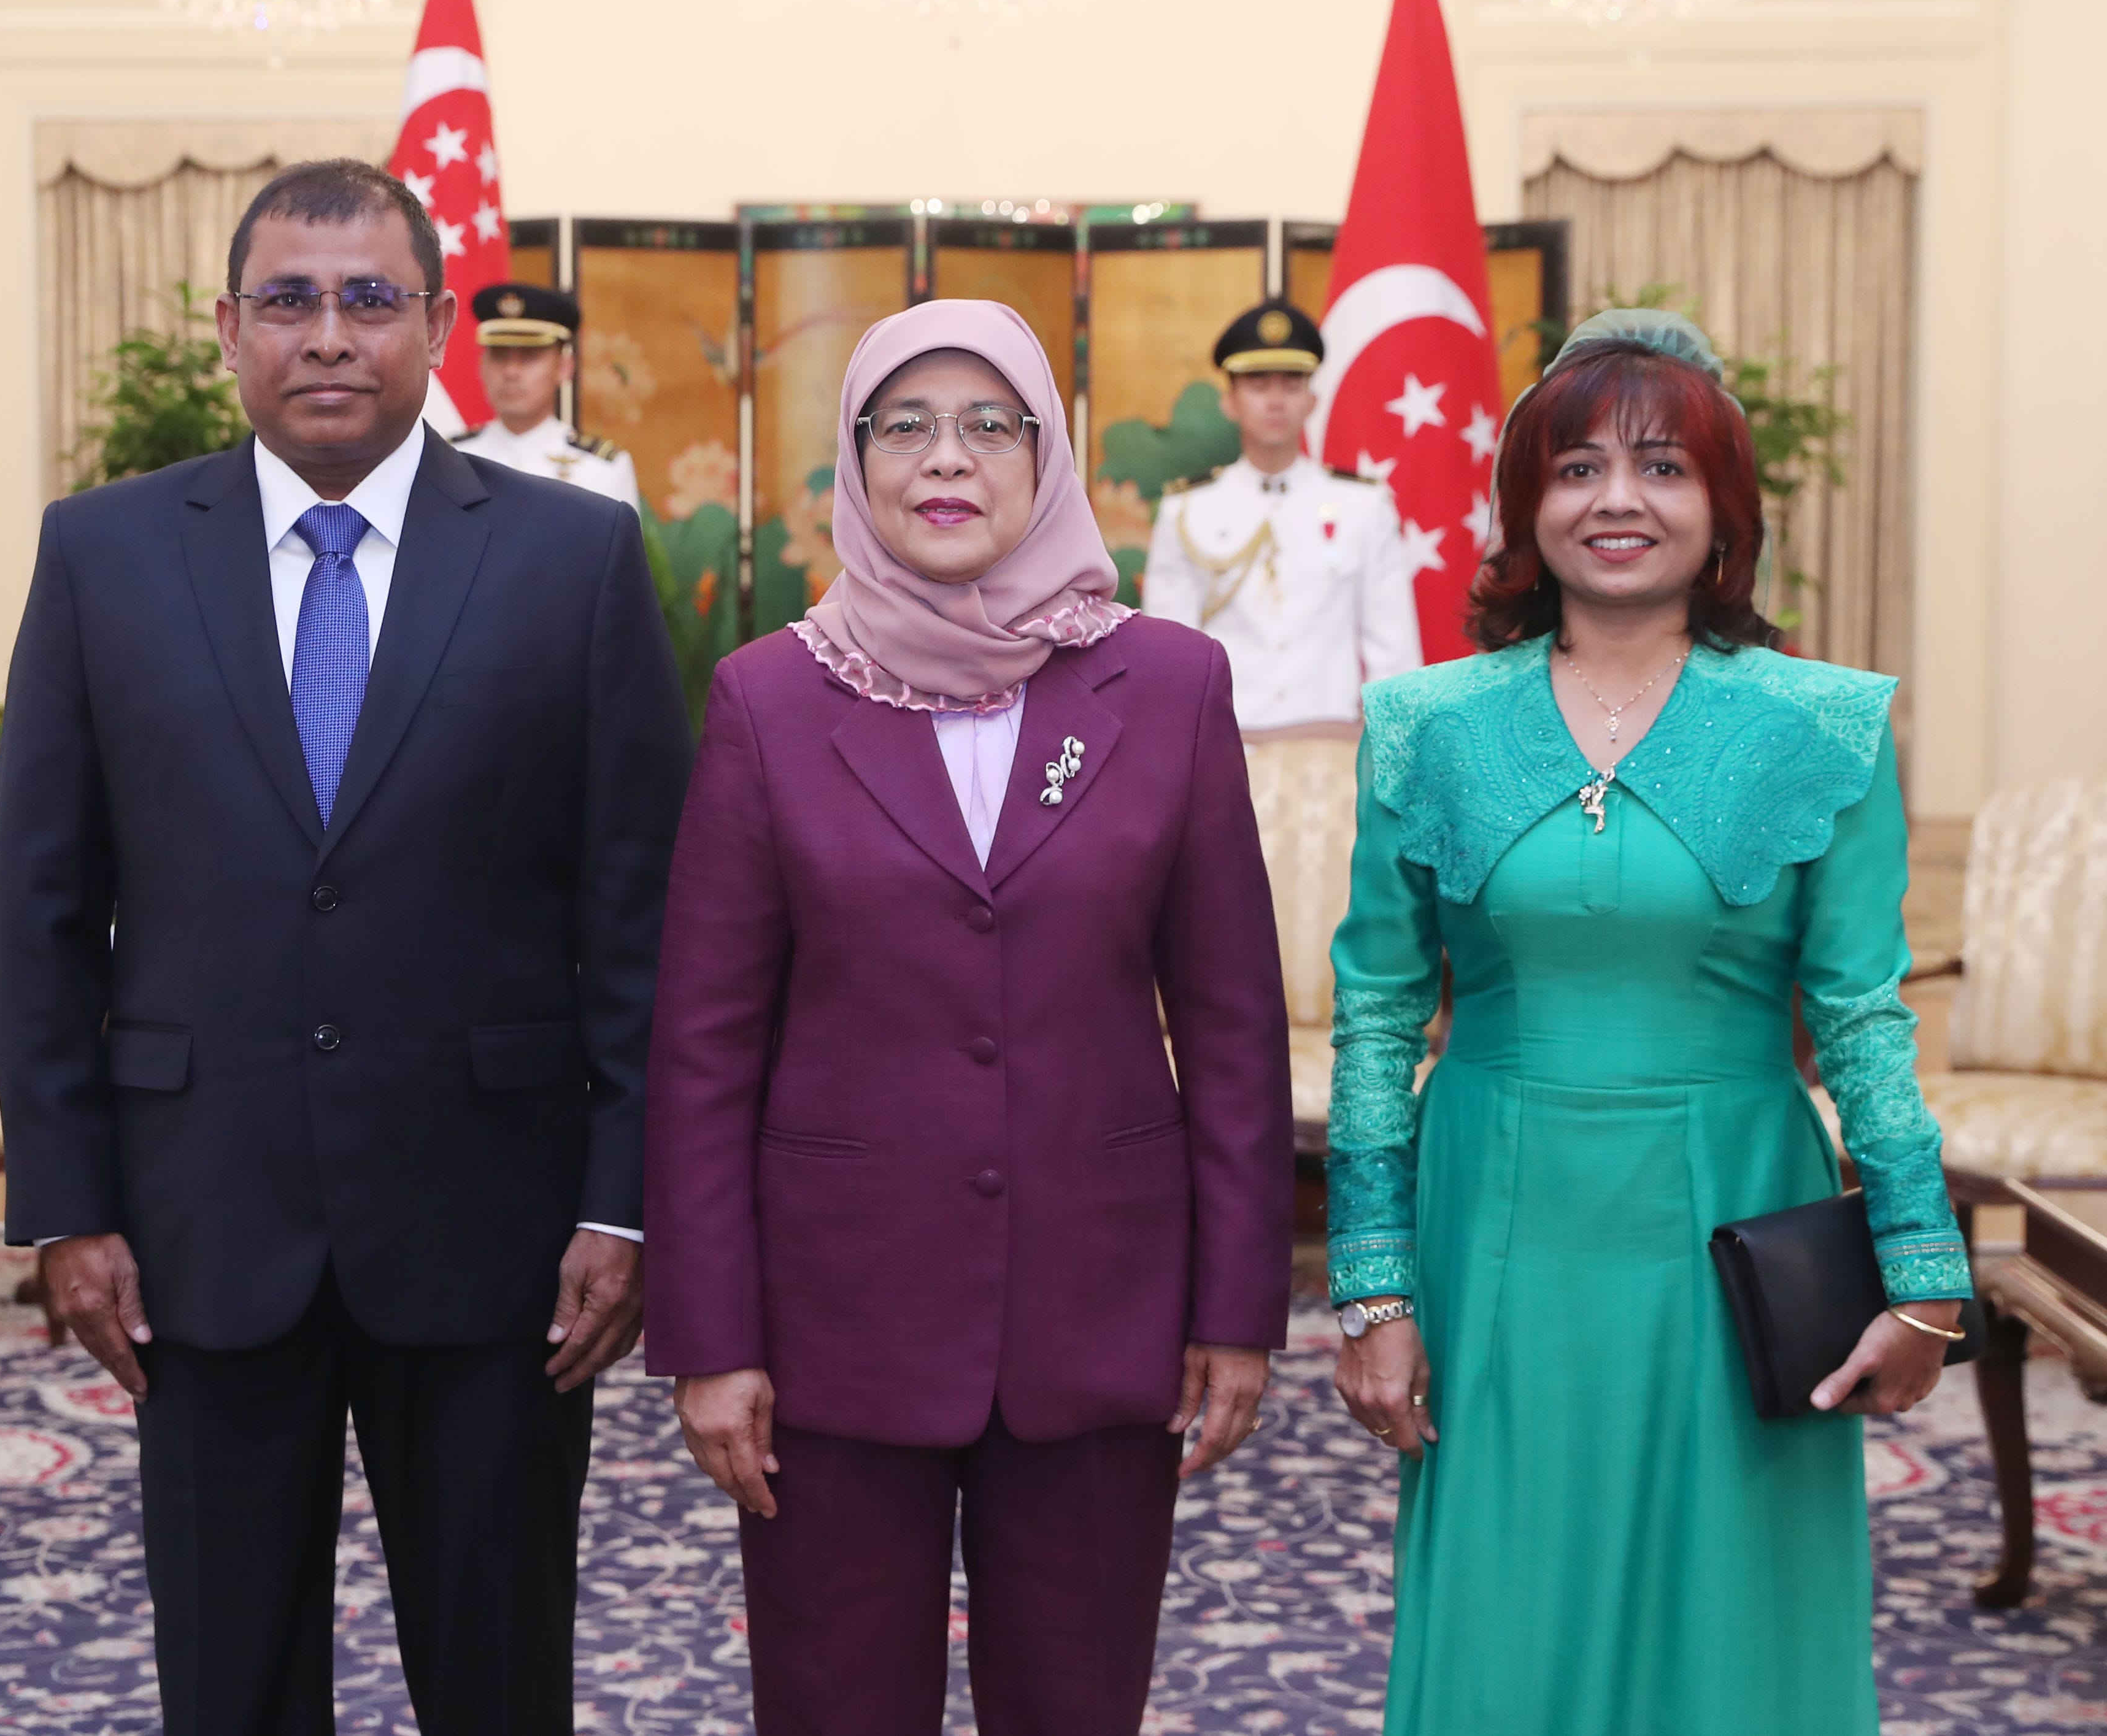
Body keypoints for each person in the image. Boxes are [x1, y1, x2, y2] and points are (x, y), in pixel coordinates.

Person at [0, 158, 690, 1735]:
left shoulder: (570, 560)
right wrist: (66, 1201)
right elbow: (41, 909)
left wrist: (623, 1199)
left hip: (497, 1227)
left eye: (370, 298)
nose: (328, 335)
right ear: (230, 327)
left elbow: (643, 915)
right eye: (290, 300)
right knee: (227, 1684)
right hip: (198, 1223)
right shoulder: (100, 556)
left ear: (436, 326)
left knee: (496, 1676)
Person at [644, 298, 1294, 1736]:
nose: (947, 458)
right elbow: (700, 1048)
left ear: (1044, 453)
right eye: (905, 425)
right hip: (831, 1326)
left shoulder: (1167, 685)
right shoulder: (769, 696)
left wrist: (1235, 1302)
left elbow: (1233, 1023)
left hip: (1099, 1305)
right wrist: (710, 1331)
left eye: (987, 423)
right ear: (854, 459)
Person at [1326, 308, 1974, 1735]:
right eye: (1575, 468)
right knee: (1508, 1585)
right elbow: (1373, 1019)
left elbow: (1861, 1015)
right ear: (1523, 505)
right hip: (1493, 1202)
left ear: (1722, 507)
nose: (1615, 499)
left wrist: (1923, 1273)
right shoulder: (1420, 722)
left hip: (1734, 1205)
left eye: (1662, 466)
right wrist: (1371, 1284)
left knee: (1731, 1602)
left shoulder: (1824, 726)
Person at [1142, 298, 1419, 735]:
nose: (1275, 401)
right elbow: (1168, 656)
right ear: (1229, 401)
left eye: (1291, 384)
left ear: (1311, 399)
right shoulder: (1187, 509)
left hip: (1332, 749)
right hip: (1226, 745)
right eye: (1257, 384)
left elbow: (1393, 652)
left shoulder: (1364, 506)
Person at [452, 282, 641, 508]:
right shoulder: (450, 460)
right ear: (481, 366)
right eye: (499, 355)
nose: (511, 372)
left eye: (529, 357)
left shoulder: (603, 468)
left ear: (564, 367)